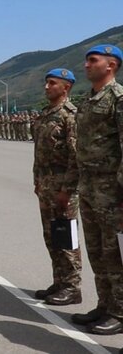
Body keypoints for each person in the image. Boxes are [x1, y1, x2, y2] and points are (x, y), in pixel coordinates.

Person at [72, 44, 123, 335]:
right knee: (98, 252)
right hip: (89, 187)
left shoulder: (118, 98)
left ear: (111, 65)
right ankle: (105, 305)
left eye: (93, 60)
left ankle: (120, 311)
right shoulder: (89, 100)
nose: (86, 65)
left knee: (114, 254)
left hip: (112, 192)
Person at [31, 68, 81, 305]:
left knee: (67, 238)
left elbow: (75, 156)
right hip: (46, 184)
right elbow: (39, 153)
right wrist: (37, 181)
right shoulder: (45, 114)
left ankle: (72, 287)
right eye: (46, 83)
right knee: (51, 236)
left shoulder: (69, 115)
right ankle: (59, 281)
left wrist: (67, 190)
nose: (46, 87)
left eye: (52, 83)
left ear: (66, 87)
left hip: (63, 187)